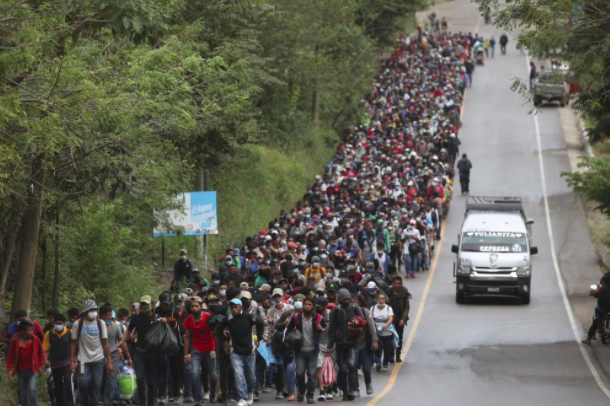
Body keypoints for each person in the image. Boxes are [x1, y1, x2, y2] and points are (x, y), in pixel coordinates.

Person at [117, 295, 165, 406]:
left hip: (153, 354)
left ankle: (151, 402)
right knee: (140, 378)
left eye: (146, 304)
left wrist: (165, 321)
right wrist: (121, 341)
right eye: (142, 304)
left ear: (152, 305)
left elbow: (168, 328)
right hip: (140, 353)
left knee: (152, 382)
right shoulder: (136, 318)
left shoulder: (157, 317)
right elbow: (128, 331)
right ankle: (142, 402)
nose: (144, 306)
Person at [221, 298, 264, 406]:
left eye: (235, 307)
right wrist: (225, 341)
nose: (233, 309)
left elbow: (261, 323)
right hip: (235, 352)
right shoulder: (229, 318)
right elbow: (219, 329)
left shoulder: (249, 316)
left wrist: (259, 339)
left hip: (249, 352)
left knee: (251, 376)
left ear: (240, 307)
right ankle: (242, 397)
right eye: (231, 308)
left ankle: (250, 393)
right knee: (239, 375)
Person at [70, 300, 112, 406]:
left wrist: (109, 361)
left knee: (96, 385)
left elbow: (105, 343)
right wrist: (72, 362)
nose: (94, 312)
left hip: (98, 360)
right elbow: (73, 344)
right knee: (83, 383)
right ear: (86, 311)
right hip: (83, 361)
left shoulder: (100, 323)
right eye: (91, 310)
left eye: (95, 310)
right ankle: (85, 402)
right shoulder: (78, 324)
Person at [286, 297, 326, 403]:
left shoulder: (318, 318)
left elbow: (325, 328)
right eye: (305, 304)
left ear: (313, 307)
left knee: (312, 374)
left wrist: (320, 329)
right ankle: (301, 391)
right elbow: (288, 329)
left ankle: (310, 395)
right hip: (300, 351)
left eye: (309, 304)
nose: (307, 306)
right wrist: (287, 341)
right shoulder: (296, 317)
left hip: (313, 351)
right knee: (299, 373)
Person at [326, 289, 363, 401]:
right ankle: (345, 392)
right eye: (344, 299)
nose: (346, 301)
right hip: (340, 344)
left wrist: (355, 328)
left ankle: (351, 390)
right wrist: (329, 345)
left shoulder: (355, 308)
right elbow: (331, 330)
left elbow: (363, 323)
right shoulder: (335, 311)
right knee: (342, 368)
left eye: (348, 299)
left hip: (352, 343)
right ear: (340, 299)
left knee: (352, 365)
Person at [184, 296, 217, 406]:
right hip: (196, 350)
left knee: (213, 376)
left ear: (201, 307)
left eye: (196, 306)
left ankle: (212, 394)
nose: (194, 308)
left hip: (210, 349)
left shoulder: (208, 317)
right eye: (192, 306)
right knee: (194, 374)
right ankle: (199, 398)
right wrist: (185, 355)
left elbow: (215, 331)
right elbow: (187, 338)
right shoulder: (188, 320)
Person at [100, 304, 132, 406]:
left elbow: (122, 342)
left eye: (111, 315)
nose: (110, 318)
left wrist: (129, 357)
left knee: (110, 381)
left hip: (113, 356)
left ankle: (107, 403)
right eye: (108, 315)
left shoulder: (116, 326)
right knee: (98, 381)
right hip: (99, 356)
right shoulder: (96, 327)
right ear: (102, 316)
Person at [7, 320, 45, 406]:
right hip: (21, 370)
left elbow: (41, 353)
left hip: (33, 369)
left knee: (32, 389)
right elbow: (10, 356)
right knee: (24, 393)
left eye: (32, 330)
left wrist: (41, 366)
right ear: (22, 331)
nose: (32, 332)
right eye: (29, 330)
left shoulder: (35, 339)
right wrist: (10, 369)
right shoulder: (15, 340)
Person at [43, 314, 74, 406]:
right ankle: (59, 403)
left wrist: (74, 361)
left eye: (60, 324)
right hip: (55, 363)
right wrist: (45, 360)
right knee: (57, 385)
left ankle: (69, 403)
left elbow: (74, 348)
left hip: (67, 361)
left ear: (64, 323)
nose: (58, 326)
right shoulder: (49, 334)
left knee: (68, 382)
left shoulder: (70, 333)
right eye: (56, 324)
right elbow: (45, 349)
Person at [353, 295, 378, 397]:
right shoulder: (347, 312)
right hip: (352, 346)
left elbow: (372, 327)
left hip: (364, 345)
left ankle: (368, 383)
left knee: (367, 368)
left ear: (359, 302)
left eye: (355, 302)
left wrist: (374, 340)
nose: (353, 304)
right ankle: (355, 389)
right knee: (353, 367)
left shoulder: (365, 312)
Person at [386, 276, 410, 362]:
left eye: (399, 283)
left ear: (401, 284)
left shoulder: (404, 292)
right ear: (392, 284)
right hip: (390, 319)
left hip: (399, 319)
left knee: (399, 338)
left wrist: (403, 319)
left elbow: (407, 307)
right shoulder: (388, 291)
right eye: (395, 283)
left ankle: (398, 355)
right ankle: (391, 355)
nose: (397, 285)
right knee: (390, 337)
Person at [582, 273, 610, 345]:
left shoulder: (602, 288)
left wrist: (593, 294)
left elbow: (597, 296)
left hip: (603, 309)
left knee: (596, 317)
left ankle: (589, 338)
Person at [370, 292, 394, 372]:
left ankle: (385, 363)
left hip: (387, 332)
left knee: (387, 348)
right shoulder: (373, 308)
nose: (381, 300)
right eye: (379, 298)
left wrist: (386, 325)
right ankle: (378, 362)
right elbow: (370, 319)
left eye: (382, 298)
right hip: (377, 332)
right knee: (377, 347)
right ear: (377, 299)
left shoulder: (388, 308)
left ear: (385, 299)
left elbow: (390, 318)